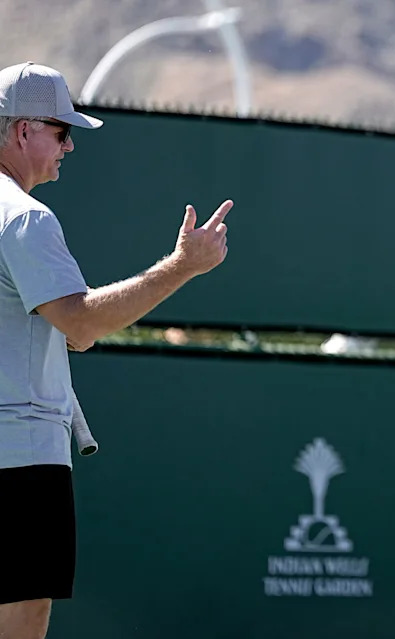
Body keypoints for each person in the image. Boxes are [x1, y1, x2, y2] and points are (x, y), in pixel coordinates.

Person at [0, 62, 232, 639]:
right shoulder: (24, 218)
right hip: (20, 457)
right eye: (60, 131)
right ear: (22, 131)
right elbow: (80, 325)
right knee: (23, 620)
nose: (69, 146)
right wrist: (183, 266)